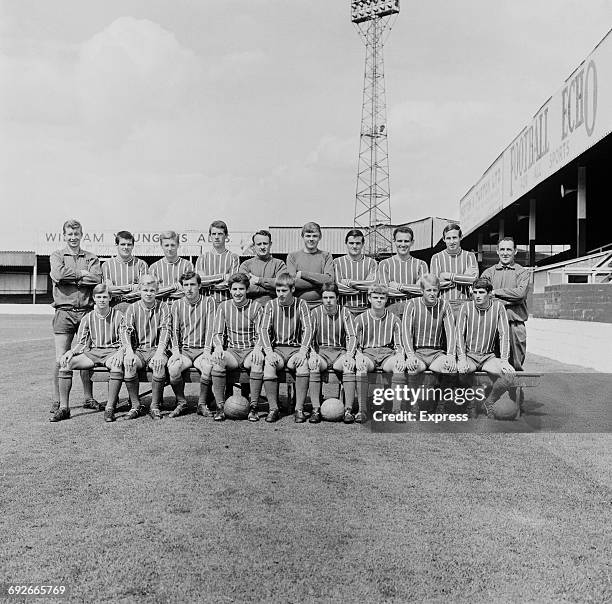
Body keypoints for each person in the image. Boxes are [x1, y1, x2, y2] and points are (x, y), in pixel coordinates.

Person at [49, 219, 102, 414]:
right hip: (64, 311)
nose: (73, 238)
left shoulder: (91, 257)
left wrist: (71, 277)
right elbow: (58, 274)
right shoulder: (57, 255)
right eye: (69, 234)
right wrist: (81, 274)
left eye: (76, 234)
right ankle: (58, 401)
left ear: (81, 235)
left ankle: (88, 397)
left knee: (86, 355)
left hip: (87, 312)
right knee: (61, 357)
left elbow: (97, 278)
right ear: (64, 235)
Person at [52, 284, 124, 422]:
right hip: (94, 352)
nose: (102, 300)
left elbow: (125, 341)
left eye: (105, 297)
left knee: (116, 366)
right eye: (99, 297)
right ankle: (64, 408)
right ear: (94, 298)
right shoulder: (88, 317)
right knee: (66, 364)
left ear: (110, 298)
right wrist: (71, 352)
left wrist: (120, 352)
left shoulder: (119, 316)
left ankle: (110, 408)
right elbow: (83, 343)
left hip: (112, 352)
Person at [456, 278, 515, 418]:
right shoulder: (466, 307)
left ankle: (489, 402)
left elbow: (504, 334)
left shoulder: (498, 307)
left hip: (488, 356)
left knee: (509, 376)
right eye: (475, 292)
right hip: (470, 355)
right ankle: (470, 404)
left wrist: (504, 360)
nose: (477, 295)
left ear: (489, 293)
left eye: (481, 292)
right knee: (460, 371)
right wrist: (462, 359)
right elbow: (459, 334)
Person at [211, 273, 265, 422]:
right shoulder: (223, 306)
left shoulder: (256, 307)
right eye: (234, 289)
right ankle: (220, 407)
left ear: (247, 290)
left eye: (241, 289)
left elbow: (262, 333)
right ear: (229, 290)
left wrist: (257, 349)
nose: (238, 292)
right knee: (218, 361)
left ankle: (254, 407)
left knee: (257, 361)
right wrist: (218, 347)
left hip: (249, 350)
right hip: (233, 352)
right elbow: (217, 333)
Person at [259, 273, 312, 423]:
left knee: (303, 365)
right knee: (269, 365)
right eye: (278, 291)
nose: (280, 294)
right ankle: (273, 408)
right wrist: (269, 352)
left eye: (284, 291)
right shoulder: (270, 305)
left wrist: (303, 352)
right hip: (278, 349)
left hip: (295, 348)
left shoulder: (301, 304)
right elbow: (263, 329)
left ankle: (299, 409)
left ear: (293, 289)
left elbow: (308, 329)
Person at [402, 274, 457, 413]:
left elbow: (451, 332)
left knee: (449, 368)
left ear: (439, 290)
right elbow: (406, 332)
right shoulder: (412, 304)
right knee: (412, 368)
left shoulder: (445, 305)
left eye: (434, 290)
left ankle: (441, 405)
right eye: (428, 290)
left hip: (436, 353)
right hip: (418, 352)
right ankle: (413, 405)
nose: (432, 293)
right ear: (422, 291)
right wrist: (410, 355)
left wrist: (451, 355)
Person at [122, 275, 172, 420]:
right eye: (145, 290)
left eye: (152, 290)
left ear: (157, 291)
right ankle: (135, 405)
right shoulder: (133, 308)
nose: (148, 293)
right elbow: (126, 330)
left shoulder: (163, 307)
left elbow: (165, 330)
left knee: (159, 364)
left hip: (156, 349)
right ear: (139, 290)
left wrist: (159, 353)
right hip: (138, 350)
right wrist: (129, 352)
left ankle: (154, 406)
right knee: (129, 364)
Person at [167, 271, 216, 418]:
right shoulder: (176, 304)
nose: (189, 288)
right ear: (182, 287)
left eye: (193, 284)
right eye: (186, 285)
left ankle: (202, 404)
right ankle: (181, 403)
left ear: (199, 285)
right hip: (184, 351)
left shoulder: (209, 302)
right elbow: (173, 330)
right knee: (174, 369)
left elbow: (211, 328)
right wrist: (176, 352)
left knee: (208, 367)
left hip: (202, 350)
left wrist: (207, 350)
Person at [354, 285, 406, 422]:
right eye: (375, 298)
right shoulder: (360, 319)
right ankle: (362, 410)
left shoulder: (395, 320)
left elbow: (399, 345)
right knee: (361, 367)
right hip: (368, 353)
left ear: (386, 300)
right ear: (369, 299)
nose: (379, 301)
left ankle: (396, 410)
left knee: (399, 366)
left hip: (387, 354)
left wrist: (400, 356)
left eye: (382, 298)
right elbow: (355, 344)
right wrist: (359, 356)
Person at [308, 283, 358, 424]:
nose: (328, 301)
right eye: (325, 298)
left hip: (339, 352)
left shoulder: (345, 312)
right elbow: (309, 338)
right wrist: (312, 354)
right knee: (314, 365)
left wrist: (349, 355)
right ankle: (316, 409)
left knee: (348, 365)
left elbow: (352, 336)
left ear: (337, 298)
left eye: (331, 297)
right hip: (321, 352)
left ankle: (348, 410)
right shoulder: (315, 313)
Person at [481, 237, 530, 371]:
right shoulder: (489, 273)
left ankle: (515, 391)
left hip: (514, 324)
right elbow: (482, 297)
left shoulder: (522, 272)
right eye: (502, 249)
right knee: (492, 365)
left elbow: (520, 294)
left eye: (509, 249)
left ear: (515, 251)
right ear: (497, 251)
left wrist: (495, 293)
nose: (505, 253)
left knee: (516, 366)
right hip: (492, 325)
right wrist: (511, 299)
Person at [430, 223, 479, 320]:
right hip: (442, 304)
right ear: (444, 239)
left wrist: (447, 275)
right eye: (448, 238)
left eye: (454, 237)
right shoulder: (436, 258)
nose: (452, 241)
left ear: (461, 237)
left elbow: (473, 280)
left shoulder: (470, 256)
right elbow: (434, 284)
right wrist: (463, 278)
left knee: (462, 334)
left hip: (464, 303)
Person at [377, 226, 428, 319]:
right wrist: (412, 289)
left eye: (406, 241)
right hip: (391, 309)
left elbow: (422, 290)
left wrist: (398, 286)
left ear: (412, 242)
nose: (403, 244)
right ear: (394, 241)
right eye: (400, 241)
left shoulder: (421, 264)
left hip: (415, 310)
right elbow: (384, 292)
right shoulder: (384, 264)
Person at [286, 222, 334, 310]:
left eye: (315, 236)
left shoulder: (326, 256)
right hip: (298, 305)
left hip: (321, 305)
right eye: (308, 236)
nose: (311, 239)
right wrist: (319, 283)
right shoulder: (292, 256)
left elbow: (329, 280)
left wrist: (302, 274)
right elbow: (292, 282)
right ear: (302, 237)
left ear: (320, 237)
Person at [333, 229, 377, 316]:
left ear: (363, 244)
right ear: (346, 243)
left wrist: (350, 282)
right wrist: (363, 287)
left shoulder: (371, 262)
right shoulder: (337, 262)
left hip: (366, 309)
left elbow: (373, 285)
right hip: (343, 309)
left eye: (358, 243)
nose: (354, 246)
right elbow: (338, 288)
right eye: (351, 243)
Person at [102, 230, 148, 313]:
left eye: (129, 244)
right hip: (113, 309)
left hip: (136, 309)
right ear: (116, 245)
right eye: (123, 244)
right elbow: (108, 290)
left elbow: (143, 291)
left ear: (133, 246)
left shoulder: (141, 264)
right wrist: (130, 287)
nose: (126, 247)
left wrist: (118, 291)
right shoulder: (107, 265)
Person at [195, 220, 240, 305]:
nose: (216, 237)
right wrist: (222, 277)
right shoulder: (202, 258)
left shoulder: (233, 257)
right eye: (213, 234)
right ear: (209, 236)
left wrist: (209, 282)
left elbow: (232, 283)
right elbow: (200, 282)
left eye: (220, 234)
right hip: (206, 304)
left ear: (226, 236)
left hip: (227, 303)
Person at [238, 229, 287, 306]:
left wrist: (258, 280)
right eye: (259, 244)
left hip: (275, 307)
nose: (262, 247)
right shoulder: (245, 265)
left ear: (270, 244)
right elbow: (244, 288)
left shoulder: (279, 264)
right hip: (251, 307)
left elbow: (282, 285)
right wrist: (271, 289)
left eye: (265, 243)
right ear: (254, 246)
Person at [148, 231, 194, 301]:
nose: (169, 249)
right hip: (160, 307)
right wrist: (173, 288)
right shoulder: (154, 268)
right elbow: (153, 292)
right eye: (166, 245)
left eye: (172, 245)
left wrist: (163, 290)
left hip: (182, 306)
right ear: (161, 246)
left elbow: (189, 290)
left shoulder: (187, 265)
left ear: (178, 245)